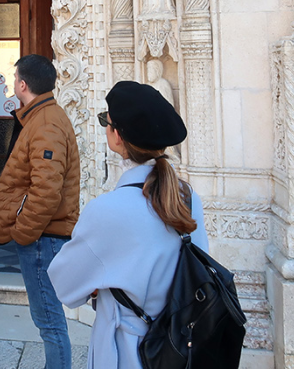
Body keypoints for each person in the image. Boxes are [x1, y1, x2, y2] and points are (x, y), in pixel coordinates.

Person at [47, 81, 207, 369]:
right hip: (180, 348)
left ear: (117, 136)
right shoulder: (187, 197)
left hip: (127, 351)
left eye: (105, 122)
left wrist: (98, 285)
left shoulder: (107, 209)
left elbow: (65, 284)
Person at [0, 54, 80, 369]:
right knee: (49, 320)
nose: (13, 83)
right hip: (43, 236)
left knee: (49, 322)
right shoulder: (41, 117)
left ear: (23, 84)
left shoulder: (46, 123)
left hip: (43, 238)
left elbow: (47, 190)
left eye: (15, 78)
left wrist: (22, 232)